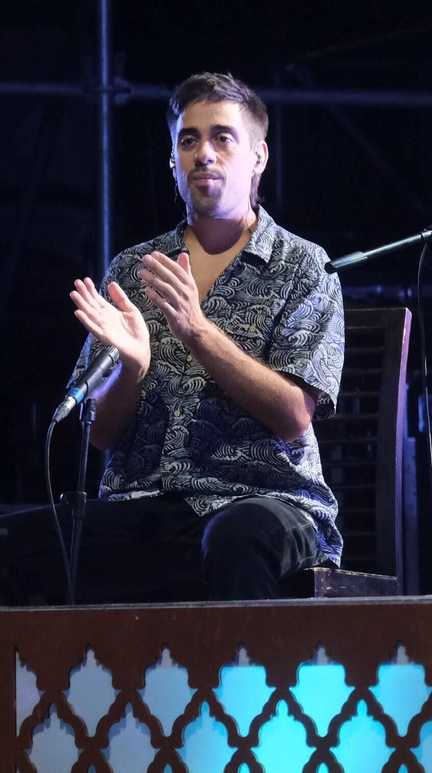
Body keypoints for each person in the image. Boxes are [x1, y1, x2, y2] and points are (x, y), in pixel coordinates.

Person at [0, 73, 345, 604]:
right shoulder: (135, 268)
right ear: (172, 162)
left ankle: (236, 690)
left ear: (258, 157)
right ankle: (78, 690)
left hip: (263, 499)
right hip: (146, 503)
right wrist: (131, 370)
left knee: (233, 540)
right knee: (15, 544)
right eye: (188, 140)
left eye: (222, 138)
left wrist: (197, 331)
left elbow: (294, 414)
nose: (203, 153)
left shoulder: (303, 266)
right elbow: (103, 435)